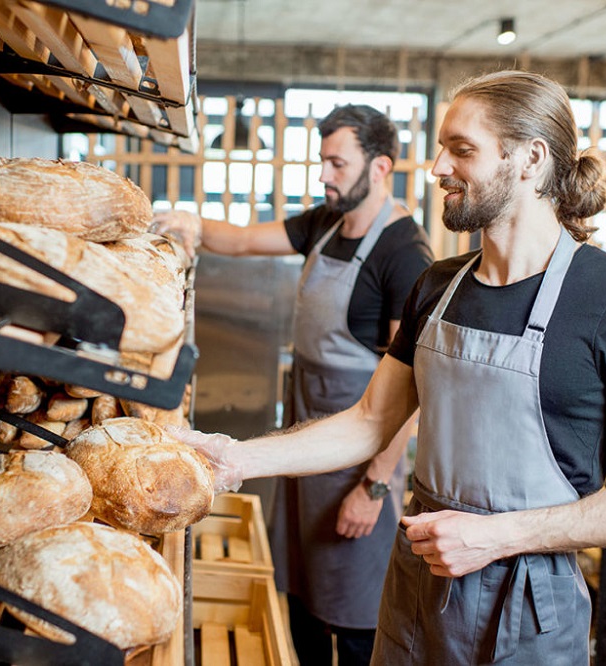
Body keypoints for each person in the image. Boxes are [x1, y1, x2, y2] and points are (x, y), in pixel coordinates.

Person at [167, 70, 606, 665]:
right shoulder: (438, 287)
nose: (438, 166)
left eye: (461, 149)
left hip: (527, 607)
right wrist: (234, 458)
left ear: (530, 158)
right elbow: (371, 422)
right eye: (443, 147)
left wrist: (497, 537)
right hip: (417, 587)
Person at [152, 104, 434, 665]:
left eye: (337, 162)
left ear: (380, 167)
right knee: (302, 597)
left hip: (357, 462)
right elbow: (244, 242)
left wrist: (374, 488)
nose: (324, 175)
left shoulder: (405, 253)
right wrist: (192, 226)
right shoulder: (325, 222)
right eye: (322, 161)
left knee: (353, 614)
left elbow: (412, 394)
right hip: (307, 442)